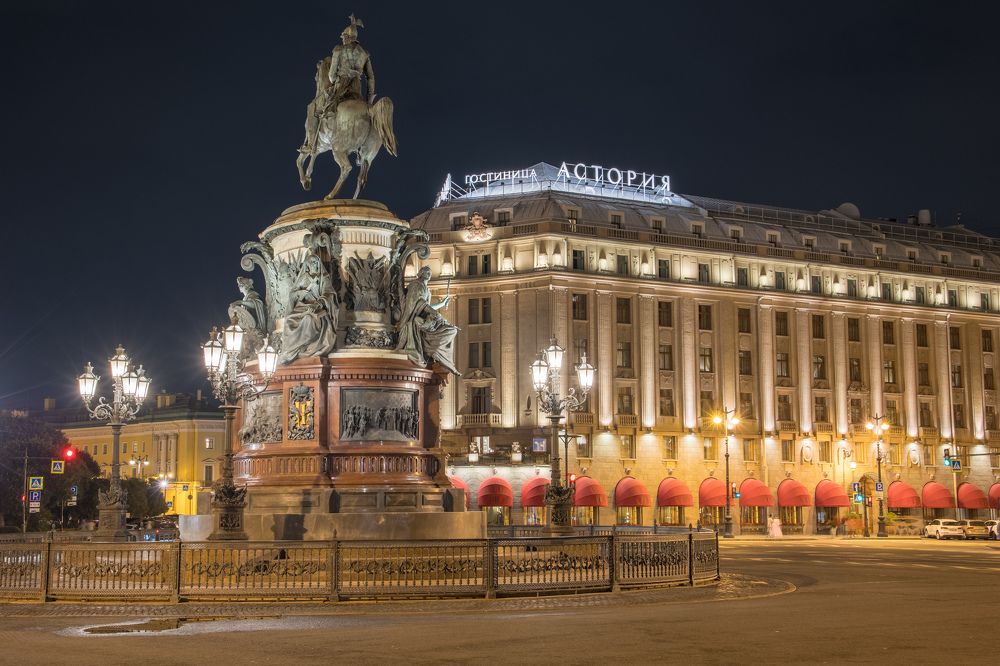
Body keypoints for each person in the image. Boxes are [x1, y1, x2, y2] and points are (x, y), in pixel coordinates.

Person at [395, 266, 459, 375]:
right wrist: (434, 314)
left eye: (429, 272)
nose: (428, 274)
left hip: (423, 321)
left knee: (452, 330)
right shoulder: (416, 285)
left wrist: (442, 304)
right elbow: (417, 305)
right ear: (420, 274)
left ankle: (441, 358)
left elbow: (427, 306)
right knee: (448, 330)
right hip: (414, 320)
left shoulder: (427, 290)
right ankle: (433, 351)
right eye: (426, 272)